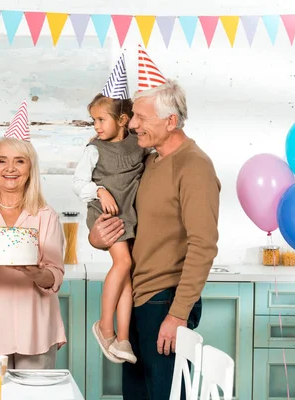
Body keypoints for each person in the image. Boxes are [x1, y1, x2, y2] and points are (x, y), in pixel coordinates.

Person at [88, 57, 220, 398]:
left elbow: (203, 245)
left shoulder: (194, 167)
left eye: (142, 118)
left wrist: (177, 315)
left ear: (171, 121)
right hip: (137, 300)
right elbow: (128, 222)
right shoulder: (147, 161)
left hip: (166, 302)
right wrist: (97, 236)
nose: (132, 125)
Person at [0, 102, 66, 369]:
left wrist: (36, 273)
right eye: (2, 161)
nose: (10, 168)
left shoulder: (45, 215)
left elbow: (55, 274)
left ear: (30, 168)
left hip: (35, 326)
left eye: (19, 161)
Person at [72, 55, 147, 364]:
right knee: (124, 261)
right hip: (105, 215)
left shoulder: (138, 144)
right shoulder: (94, 149)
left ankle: (123, 338)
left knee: (127, 272)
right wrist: (99, 189)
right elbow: (78, 182)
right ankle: (105, 327)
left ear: (123, 120)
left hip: (128, 214)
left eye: (101, 119)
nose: (96, 126)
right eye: (94, 120)